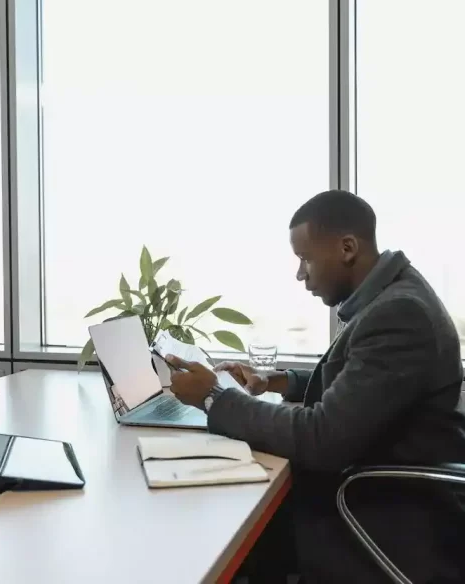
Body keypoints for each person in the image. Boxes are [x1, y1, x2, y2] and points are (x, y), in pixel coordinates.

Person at [166, 190, 465, 584]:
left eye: (305, 259)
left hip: (378, 512)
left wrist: (213, 397)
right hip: (371, 486)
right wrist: (279, 381)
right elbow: (363, 383)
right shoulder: (392, 297)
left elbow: (322, 438)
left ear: (347, 248)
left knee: (211, 529)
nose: (300, 274)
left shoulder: (399, 313)